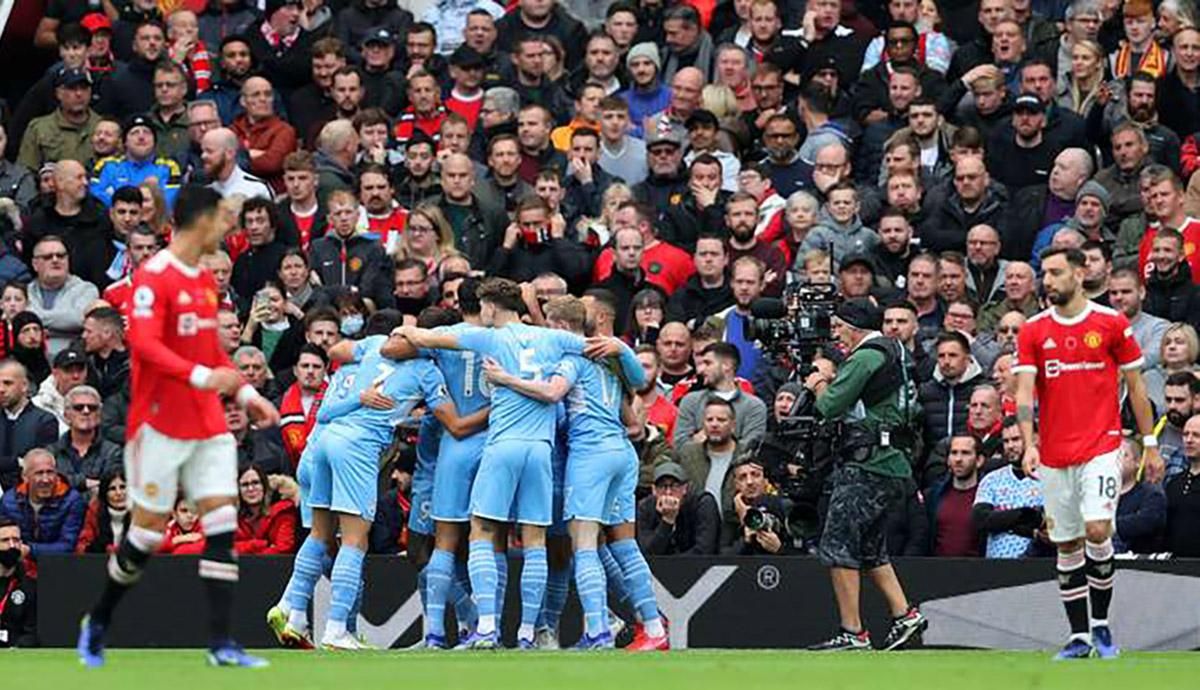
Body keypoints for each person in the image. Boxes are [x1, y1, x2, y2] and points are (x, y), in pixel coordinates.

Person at [76, 185, 282, 669]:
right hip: (158, 425)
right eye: (224, 218)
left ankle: (221, 643)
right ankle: (100, 617)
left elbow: (210, 350)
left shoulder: (205, 280)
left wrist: (246, 394)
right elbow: (144, 344)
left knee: (221, 522)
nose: (230, 226)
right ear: (202, 220)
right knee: (146, 534)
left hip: (207, 422)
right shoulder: (155, 276)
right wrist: (202, 376)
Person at [393, 277, 644, 649]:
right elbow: (601, 352)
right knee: (536, 541)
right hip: (541, 451)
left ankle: (487, 629)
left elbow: (427, 339)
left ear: (491, 307)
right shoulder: (552, 338)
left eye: (485, 307)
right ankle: (529, 633)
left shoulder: (489, 337)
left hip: (503, 445)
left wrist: (404, 328)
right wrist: (621, 345)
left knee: (483, 531)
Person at [481, 295, 668, 650]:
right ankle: (655, 629)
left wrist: (505, 379)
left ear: (563, 327)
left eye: (550, 326)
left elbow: (553, 394)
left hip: (591, 455)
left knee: (584, 547)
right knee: (625, 545)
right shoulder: (611, 359)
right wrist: (621, 347)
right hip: (622, 454)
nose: (547, 333)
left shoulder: (572, 359)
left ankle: (599, 630)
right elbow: (639, 380)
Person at [1014, 246, 1162, 660]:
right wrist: (1030, 442)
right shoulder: (1033, 330)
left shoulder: (1111, 324)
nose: (1048, 281)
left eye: (1056, 272)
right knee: (1066, 544)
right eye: (1045, 273)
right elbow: (1024, 392)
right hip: (1054, 453)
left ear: (1079, 274)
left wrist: (1149, 444)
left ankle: (1101, 627)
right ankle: (1079, 636)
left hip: (1102, 444)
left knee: (1098, 530)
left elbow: (1135, 386)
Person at [804, 297, 928, 651]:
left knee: (838, 544)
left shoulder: (867, 355)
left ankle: (852, 631)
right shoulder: (897, 352)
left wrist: (819, 382)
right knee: (871, 547)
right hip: (894, 461)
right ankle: (905, 615)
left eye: (840, 327)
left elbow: (829, 406)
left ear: (854, 326)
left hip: (868, 461)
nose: (836, 334)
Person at [973, 417, 1046, 558]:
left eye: (1016, 439)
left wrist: (1001, 519)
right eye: (1006, 441)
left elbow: (1048, 526)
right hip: (996, 567)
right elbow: (981, 520)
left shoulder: (1050, 478)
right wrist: (1027, 515)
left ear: (1035, 439)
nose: (1010, 446)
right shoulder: (992, 479)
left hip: (1037, 566)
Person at [0, 447, 86, 561]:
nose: (45, 480)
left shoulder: (72, 500)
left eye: (50, 472)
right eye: (39, 473)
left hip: (58, 565)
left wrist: (30, 550)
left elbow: (68, 546)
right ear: (25, 477)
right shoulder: (9, 501)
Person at [635, 461, 720, 555]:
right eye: (662, 486)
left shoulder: (702, 503)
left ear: (685, 488)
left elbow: (704, 549)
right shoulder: (645, 507)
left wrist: (674, 564)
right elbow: (647, 552)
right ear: (654, 490)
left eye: (674, 486)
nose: (668, 492)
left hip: (694, 566)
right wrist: (667, 521)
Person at [51, 385, 122, 495]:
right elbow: (48, 485)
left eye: (92, 407)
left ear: (99, 415)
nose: (86, 411)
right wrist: (83, 482)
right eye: (78, 407)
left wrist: (67, 482)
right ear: (66, 415)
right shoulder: (51, 452)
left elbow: (110, 489)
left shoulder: (113, 452)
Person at [1164, 414, 1200, 557]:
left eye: (1196, 435)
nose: (1189, 440)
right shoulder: (1174, 483)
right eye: (1185, 434)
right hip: (1175, 569)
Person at [0, 518, 37, 648]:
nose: (12, 546)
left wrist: (18, 647)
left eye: (16, 540)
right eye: (5, 541)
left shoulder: (29, 586)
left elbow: (32, 633)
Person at [75, 469, 130, 554]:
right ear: (105, 493)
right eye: (112, 489)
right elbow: (82, 546)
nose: (119, 493)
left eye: (123, 487)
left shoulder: (143, 512)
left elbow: (156, 545)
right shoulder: (95, 511)